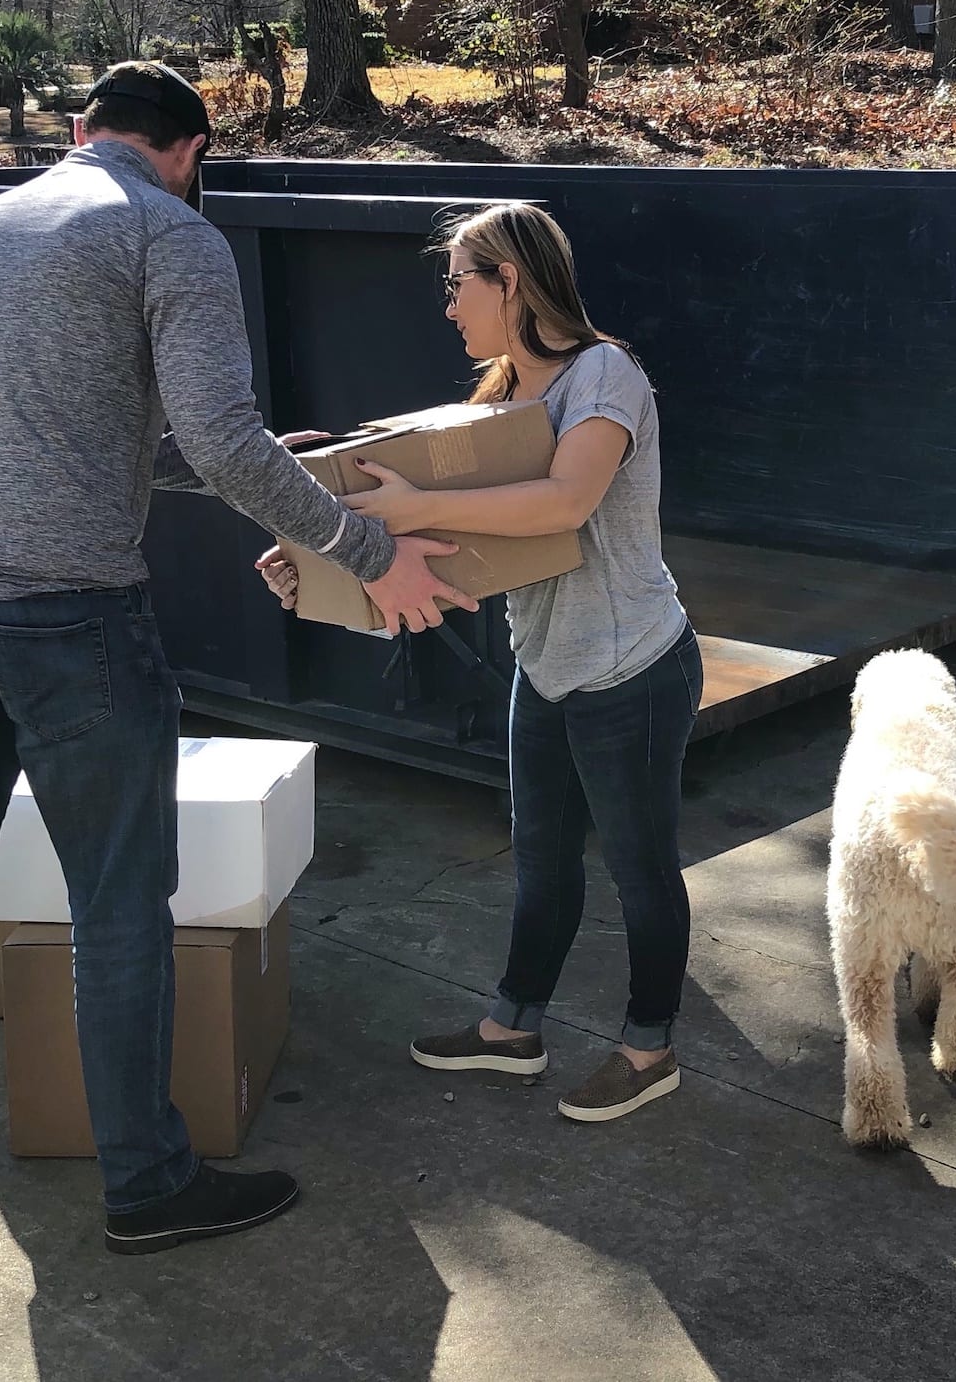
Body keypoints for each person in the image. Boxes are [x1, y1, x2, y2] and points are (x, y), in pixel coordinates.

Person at [0, 61, 473, 1254]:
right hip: (64, 618)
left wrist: (242, 460)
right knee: (119, 900)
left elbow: (80, 432)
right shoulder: (169, 232)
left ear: (83, 131)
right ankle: (145, 1179)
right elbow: (217, 434)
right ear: (190, 152)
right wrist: (364, 545)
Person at [257, 201, 701, 1123]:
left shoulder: (603, 376)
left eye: (458, 281)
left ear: (510, 281)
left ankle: (648, 1046)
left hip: (633, 668)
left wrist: (410, 510)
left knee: (639, 865)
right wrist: (322, 564)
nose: (450, 304)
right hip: (544, 668)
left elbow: (563, 504)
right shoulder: (493, 404)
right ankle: (513, 1030)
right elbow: (464, 548)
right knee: (542, 860)